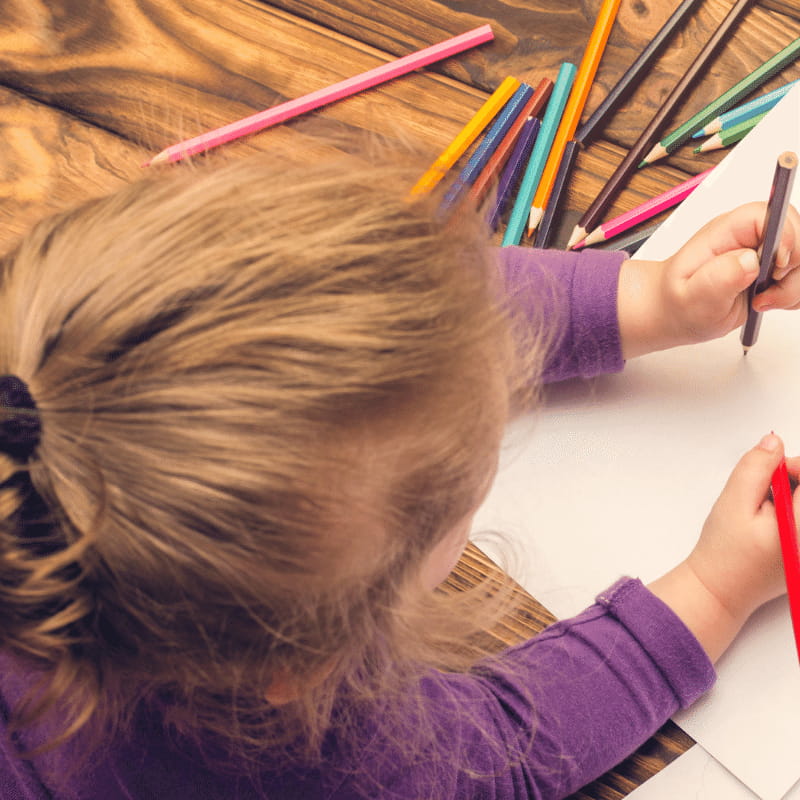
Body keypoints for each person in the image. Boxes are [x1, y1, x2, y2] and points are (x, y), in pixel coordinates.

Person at [0, 147, 799, 800]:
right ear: (303, 669)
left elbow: (413, 308)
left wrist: (647, 299)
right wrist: (714, 590)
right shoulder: (299, 767)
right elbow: (503, 752)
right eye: (471, 458)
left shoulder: (40, 393)